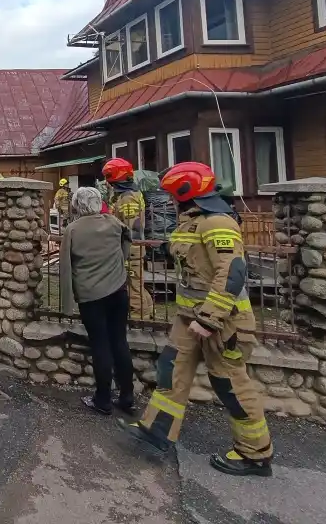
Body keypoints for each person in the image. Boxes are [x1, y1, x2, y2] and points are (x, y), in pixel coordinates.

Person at [119, 161, 273, 477]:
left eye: (173, 195)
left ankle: (255, 454)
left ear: (186, 192)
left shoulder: (217, 222)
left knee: (229, 384)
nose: (170, 201)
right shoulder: (194, 221)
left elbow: (232, 273)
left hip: (221, 322)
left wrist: (209, 318)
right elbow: (190, 255)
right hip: (188, 318)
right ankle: (157, 430)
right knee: (170, 369)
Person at [59, 187, 135, 415]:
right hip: (118, 291)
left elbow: (65, 267)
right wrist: (121, 260)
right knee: (120, 341)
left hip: (91, 296)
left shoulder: (72, 230)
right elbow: (128, 240)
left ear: (77, 205)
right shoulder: (113, 223)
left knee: (100, 344)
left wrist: (67, 306)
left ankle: (103, 399)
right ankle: (127, 395)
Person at [102, 158, 154, 320]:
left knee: (133, 287)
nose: (106, 181)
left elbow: (131, 227)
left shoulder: (128, 198)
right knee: (137, 283)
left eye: (108, 177)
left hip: (131, 249)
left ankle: (139, 319)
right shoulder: (128, 194)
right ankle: (147, 312)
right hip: (131, 248)